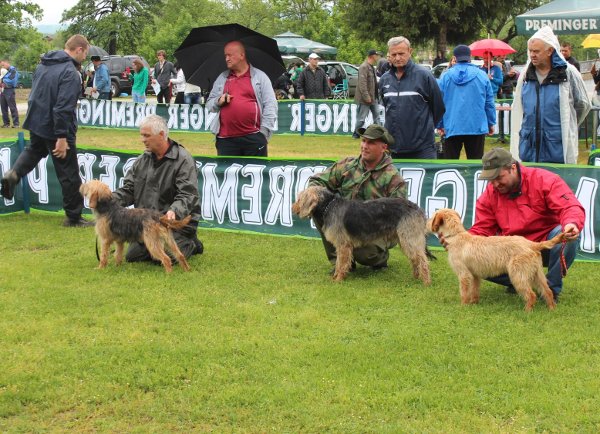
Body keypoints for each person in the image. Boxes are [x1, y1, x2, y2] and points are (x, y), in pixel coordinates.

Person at [1, 35, 93, 227]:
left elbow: (35, 94)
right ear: (79, 49)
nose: (85, 58)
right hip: (55, 127)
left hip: (36, 121)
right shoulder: (70, 72)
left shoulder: (43, 65)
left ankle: (14, 173)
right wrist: (61, 136)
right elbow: (63, 107)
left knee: (34, 151)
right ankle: (74, 217)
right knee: (69, 172)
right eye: (85, 53)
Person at [470, 147, 584, 302]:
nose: (495, 184)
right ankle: (521, 281)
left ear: (513, 168)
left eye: (499, 177)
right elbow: (482, 229)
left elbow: (570, 206)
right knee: (473, 259)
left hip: (545, 245)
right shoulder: (490, 194)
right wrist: (460, 241)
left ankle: (550, 289)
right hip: (511, 253)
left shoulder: (544, 179)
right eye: (491, 180)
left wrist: (572, 223)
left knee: (566, 236)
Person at [308, 124, 406, 270]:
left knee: (363, 253)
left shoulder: (393, 177)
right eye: (363, 141)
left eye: (371, 143)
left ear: (383, 147)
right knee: (318, 207)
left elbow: (400, 214)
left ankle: (379, 258)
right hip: (344, 223)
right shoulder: (347, 165)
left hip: (375, 230)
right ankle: (340, 262)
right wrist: (316, 196)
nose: (364, 146)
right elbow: (317, 181)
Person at [111, 114, 203, 262]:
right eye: (142, 135)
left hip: (174, 224)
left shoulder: (183, 160)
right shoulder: (142, 160)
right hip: (148, 223)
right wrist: (109, 199)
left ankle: (192, 244)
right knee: (133, 257)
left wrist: (174, 211)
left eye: (147, 135)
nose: (143, 140)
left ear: (161, 135)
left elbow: (188, 194)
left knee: (167, 257)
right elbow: (129, 189)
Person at [510, 26, 591, 164]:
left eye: (536, 51)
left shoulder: (568, 73)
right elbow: (519, 107)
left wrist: (568, 123)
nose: (532, 55)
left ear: (550, 51)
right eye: (530, 51)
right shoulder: (525, 75)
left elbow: (582, 104)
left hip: (557, 150)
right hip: (529, 148)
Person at [206, 40, 277, 157]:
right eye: (225, 56)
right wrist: (219, 101)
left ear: (242, 55)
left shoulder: (260, 77)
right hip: (225, 140)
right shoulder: (222, 78)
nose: (226, 59)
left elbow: (270, 105)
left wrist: (263, 134)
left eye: (230, 55)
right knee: (227, 175)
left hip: (254, 138)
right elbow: (209, 104)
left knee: (254, 174)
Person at [379, 36, 445, 159]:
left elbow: (439, 108)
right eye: (393, 54)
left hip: (423, 149)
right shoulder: (384, 79)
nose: (397, 58)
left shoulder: (424, 76)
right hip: (393, 149)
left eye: (401, 53)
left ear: (410, 51)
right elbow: (385, 109)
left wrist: (423, 130)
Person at [436, 45, 496, 160]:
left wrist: (440, 125)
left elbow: (439, 102)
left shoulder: (445, 76)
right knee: (476, 163)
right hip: (476, 125)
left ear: (455, 57)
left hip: (452, 125)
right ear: (470, 57)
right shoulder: (482, 76)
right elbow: (489, 102)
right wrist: (490, 122)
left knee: (450, 164)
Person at [353, 49, 381, 139]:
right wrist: (366, 97)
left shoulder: (372, 67)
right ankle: (356, 134)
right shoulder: (364, 67)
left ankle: (380, 135)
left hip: (373, 97)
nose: (377, 57)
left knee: (377, 117)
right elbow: (362, 84)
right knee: (361, 118)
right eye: (376, 55)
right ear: (372, 56)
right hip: (365, 99)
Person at [0, 60, 19, 128]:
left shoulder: (13, 70)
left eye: (3, 65)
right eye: (1, 66)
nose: (2, 67)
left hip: (9, 90)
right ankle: (6, 123)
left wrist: (2, 80)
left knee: (12, 107)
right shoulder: (4, 71)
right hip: (3, 90)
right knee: (3, 107)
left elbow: (12, 80)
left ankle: (16, 124)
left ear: (8, 63)